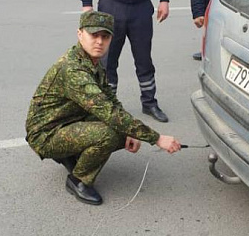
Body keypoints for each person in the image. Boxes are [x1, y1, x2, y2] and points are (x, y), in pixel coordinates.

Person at [25, 11, 181, 205]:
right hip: (46, 134)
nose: (99, 41)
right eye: (94, 35)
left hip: (67, 120)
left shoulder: (91, 62)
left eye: (105, 37)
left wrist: (132, 132)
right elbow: (110, 113)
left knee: (121, 129)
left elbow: (111, 101)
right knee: (110, 133)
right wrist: (156, 138)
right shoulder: (74, 69)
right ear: (80, 34)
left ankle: (70, 154)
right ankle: (78, 180)